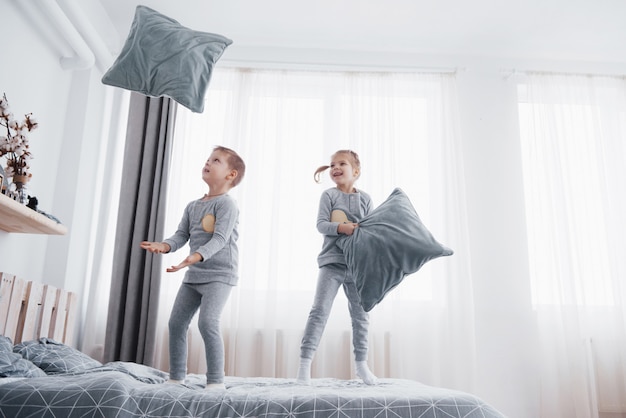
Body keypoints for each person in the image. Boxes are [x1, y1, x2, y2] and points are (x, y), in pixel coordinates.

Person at [140, 145, 245, 391]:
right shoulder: (193, 206)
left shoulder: (227, 205)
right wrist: (164, 246)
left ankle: (216, 381)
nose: (208, 162)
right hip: (194, 274)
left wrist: (195, 256)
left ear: (231, 175)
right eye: (208, 158)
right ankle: (176, 377)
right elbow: (181, 235)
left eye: (216, 160)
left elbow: (219, 239)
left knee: (207, 323)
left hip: (220, 274)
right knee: (176, 323)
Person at [297, 149, 378, 385]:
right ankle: (304, 366)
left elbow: (371, 230)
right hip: (331, 263)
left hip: (357, 266)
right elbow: (321, 225)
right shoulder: (329, 196)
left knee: (361, 316)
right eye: (332, 165)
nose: (335, 168)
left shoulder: (365, 199)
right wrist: (342, 228)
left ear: (356, 171)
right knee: (319, 311)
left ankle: (362, 365)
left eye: (341, 163)